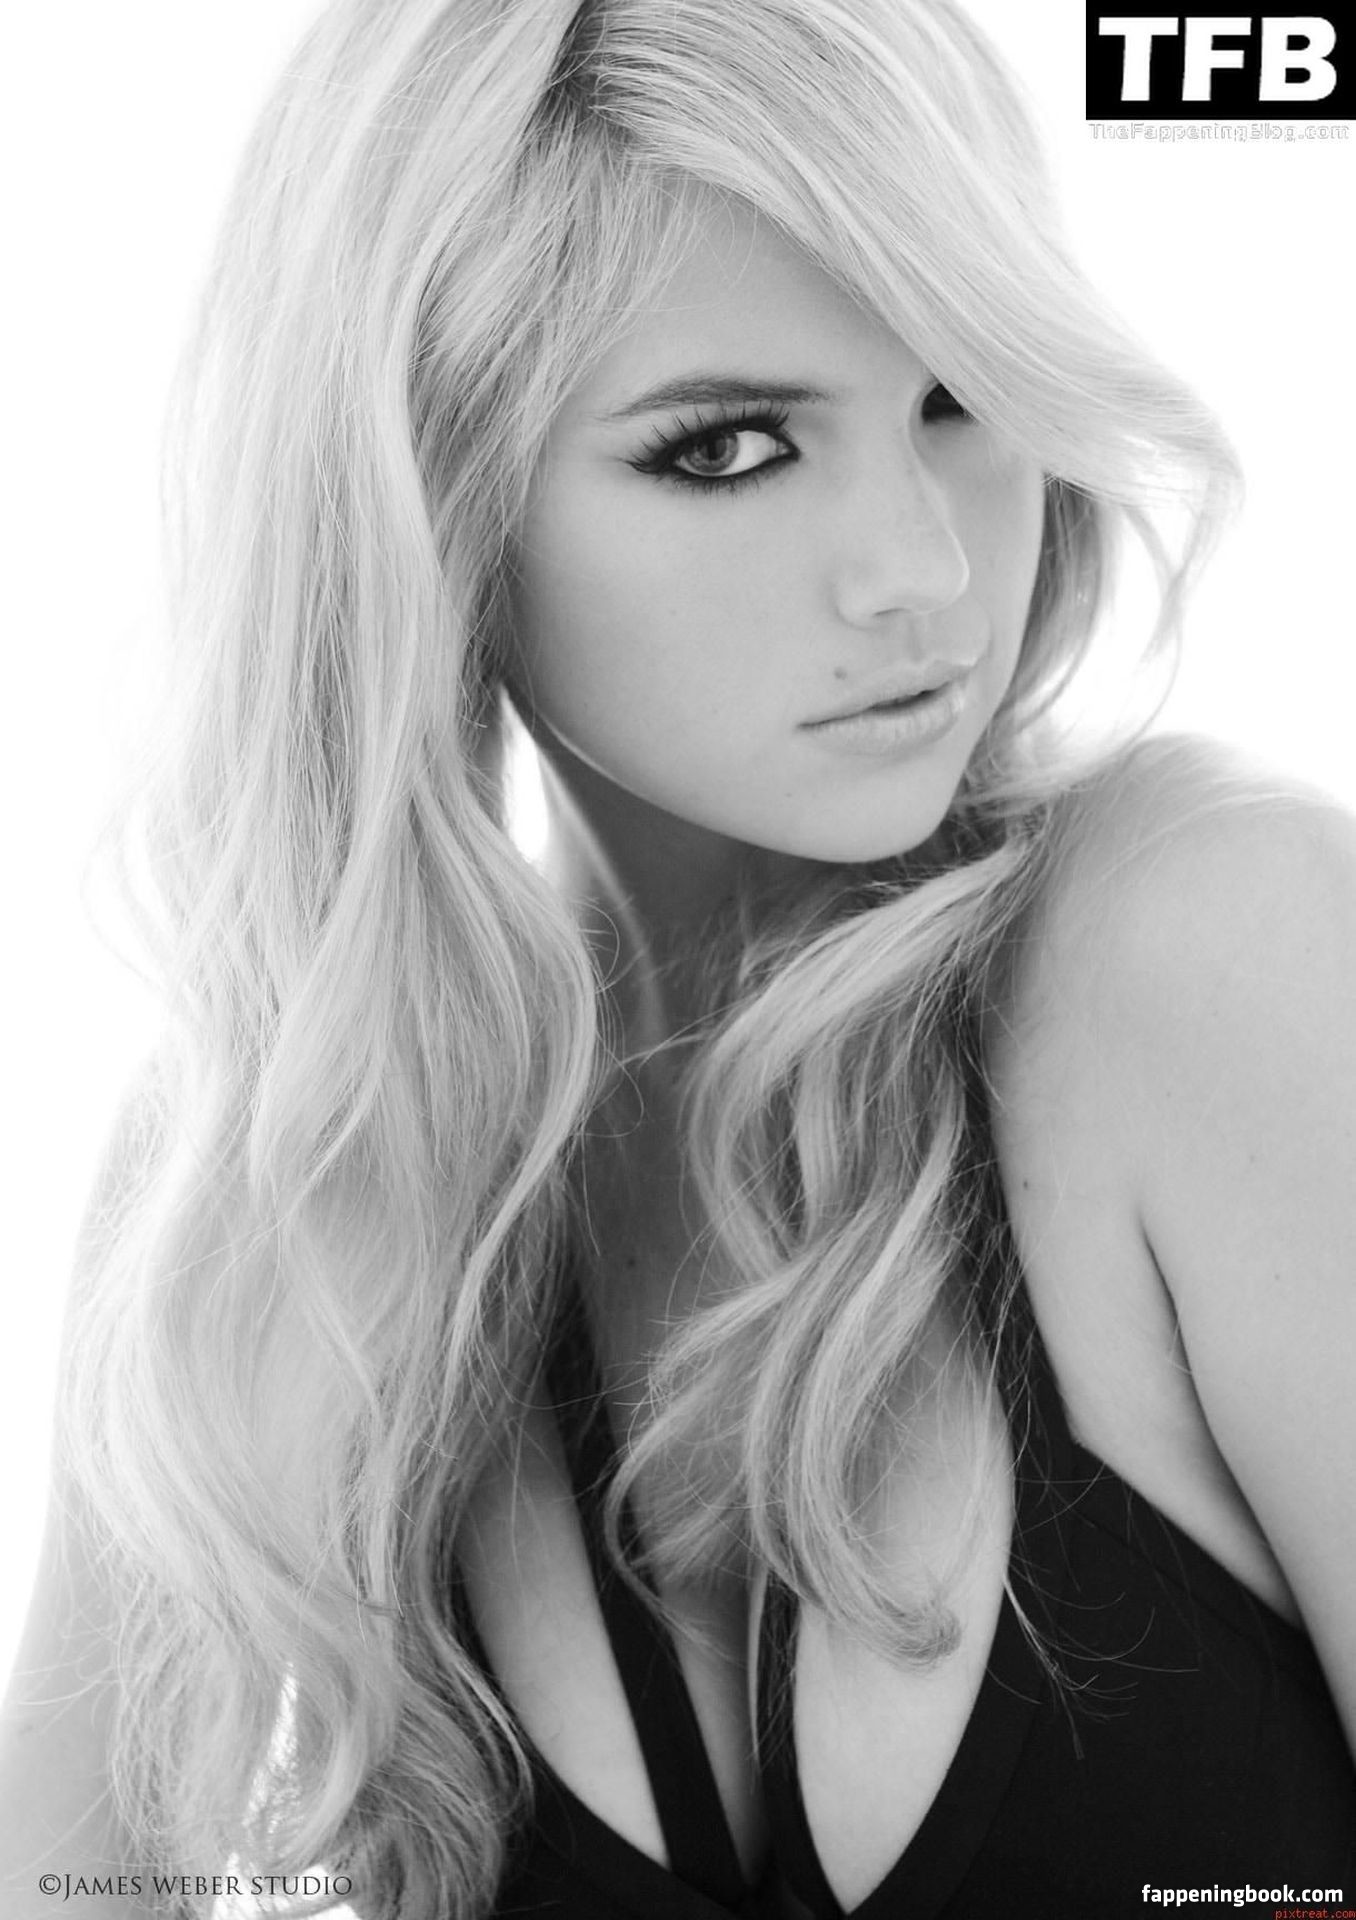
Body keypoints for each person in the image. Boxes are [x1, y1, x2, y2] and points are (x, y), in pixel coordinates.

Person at [2, 0, 1353, 1915]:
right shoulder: (286, 1167)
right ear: (426, 507)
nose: (921, 570)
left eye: (961, 396)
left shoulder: (1211, 946)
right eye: (728, 448)